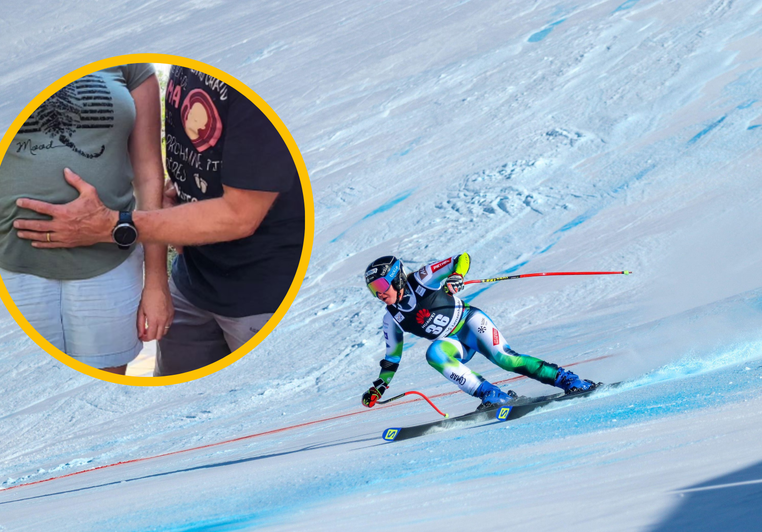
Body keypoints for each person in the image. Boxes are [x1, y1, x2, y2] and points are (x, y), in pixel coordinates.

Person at [13, 66, 305, 376]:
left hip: (263, 294)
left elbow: (239, 216)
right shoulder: (187, 63)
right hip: (192, 279)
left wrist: (113, 226)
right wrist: (182, 199)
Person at [0, 64, 173, 374]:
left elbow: (149, 175)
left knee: (100, 395)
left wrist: (157, 282)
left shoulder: (129, 60)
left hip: (109, 263)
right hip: (10, 263)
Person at [361, 254, 597, 409]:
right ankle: (493, 395)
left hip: (469, 323)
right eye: (374, 290)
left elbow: (460, 258)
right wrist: (380, 386)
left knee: (506, 360)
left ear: (397, 279)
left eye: (381, 285)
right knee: (434, 354)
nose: (379, 294)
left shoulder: (422, 280)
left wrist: (456, 276)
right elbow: (392, 359)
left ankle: (571, 381)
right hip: (452, 342)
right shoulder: (391, 318)